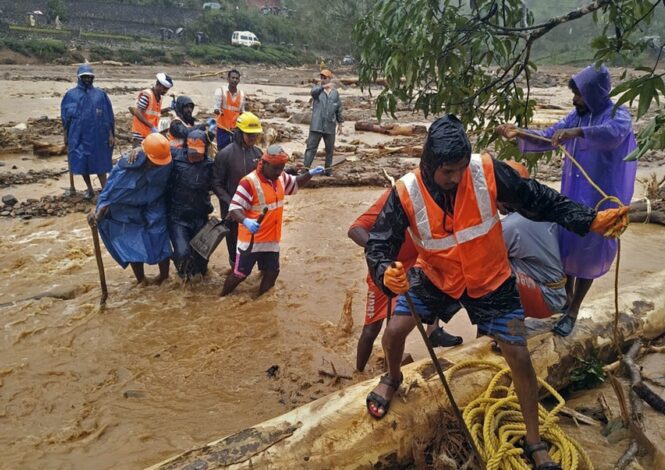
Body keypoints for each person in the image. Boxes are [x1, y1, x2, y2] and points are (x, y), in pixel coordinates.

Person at [364, 115, 629, 469]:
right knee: (394, 331)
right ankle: (393, 377)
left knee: (518, 355)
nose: (456, 178)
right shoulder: (405, 191)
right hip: (436, 275)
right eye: (448, 172)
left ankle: (534, 443)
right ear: (428, 165)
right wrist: (386, 272)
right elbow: (379, 244)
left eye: (460, 169)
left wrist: (588, 220)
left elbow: (539, 198)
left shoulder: (486, 171)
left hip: (490, 279)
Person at [496, 64, 637, 337]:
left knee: (590, 251)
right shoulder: (577, 115)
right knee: (568, 246)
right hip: (573, 191)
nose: (575, 100)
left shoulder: (618, 114)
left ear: (595, 93)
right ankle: (566, 299)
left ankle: (573, 311)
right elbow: (551, 135)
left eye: (580, 95)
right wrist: (519, 133)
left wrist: (578, 134)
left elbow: (612, 134)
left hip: (602, 197)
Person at [349, 188, 463, 373]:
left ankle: (432, 331)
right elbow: (355, 230)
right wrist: (380, 253)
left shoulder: (440, 201)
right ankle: (358, 373)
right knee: (371, 330)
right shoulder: (393, 199)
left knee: (432, 283)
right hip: (386, 270)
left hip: (415, 266)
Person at [220, 145, 325, 297]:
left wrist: (309, 174)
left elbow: (294, 183)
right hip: (251, 241)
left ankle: (261, 303)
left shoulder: (280, 177)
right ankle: (222, 297)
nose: (279, 172)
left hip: (272, 239)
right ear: (264, 164)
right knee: (240, 274)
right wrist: (246, 221)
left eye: (282, 168)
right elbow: (234, 209)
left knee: (272, 272)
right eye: (276, 168)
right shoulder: (248, 182)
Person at [89, 134, 174, 285]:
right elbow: (110, 191)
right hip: (127, 207)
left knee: (159, 235)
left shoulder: (166, 158)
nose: (157, 166)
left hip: (154, 202)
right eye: (154, 163)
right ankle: (141, 280)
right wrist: (99, 213)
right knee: (131, 240)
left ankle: (164, 277)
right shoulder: (127, 165)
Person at [499, 161, 567, 319]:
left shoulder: (511, 226)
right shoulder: (545, 209)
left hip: (545, 298)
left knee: (489, 272)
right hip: (559, 293)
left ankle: (507, 330)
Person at [212, 111, 264, 269]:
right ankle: (235, 272)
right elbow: (217, 184)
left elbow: (265, 178)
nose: (253, 139)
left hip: (253, 209)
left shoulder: (257, 154)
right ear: (239, 133)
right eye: (250, 135)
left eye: (255, 135)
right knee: (234, 245)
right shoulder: (225, 154)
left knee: (256, 244)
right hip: (232, 212)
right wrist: (231, 205)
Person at [60, 64, 115, 200]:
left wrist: (110, 134)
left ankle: (106, 193)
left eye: (89, 77)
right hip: (78, 136)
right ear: (79, 78)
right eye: (84, 77)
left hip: (98, 136)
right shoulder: (70, 96)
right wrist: (66, 136)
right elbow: (65, 119)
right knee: (82, 163)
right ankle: (90, 190)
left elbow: (108, 116)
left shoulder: (100, 95)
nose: (87, 80)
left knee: (101, 164)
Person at [167, 130, 216, 280]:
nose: (195, 155)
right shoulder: (174, 155)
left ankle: (198, 288)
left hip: (200, 217)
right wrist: (137, 151)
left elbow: (221, 184)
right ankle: (183, 281)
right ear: (186, 146)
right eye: (192, 151)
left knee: (202, 260)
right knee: (182, 253)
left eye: (198, 152)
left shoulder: (210, 165)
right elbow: (152, 146)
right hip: (178, 218)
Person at [302, 69, 343, 176]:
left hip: (330, 126)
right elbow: (313, 93)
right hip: (316, 125)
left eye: (325, 78)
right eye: (322, 78)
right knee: (311, 148)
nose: (323, 80)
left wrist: (340, 123)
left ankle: (328, 170)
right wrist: (322, 87)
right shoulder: (317, 90)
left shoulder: (335, 93)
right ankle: (305, 169)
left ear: (330, 78)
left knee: (330, 149)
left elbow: (338, 108)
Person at [131, 73, 174, 145]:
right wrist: (151, 126)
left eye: (167, 89)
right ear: (158, 84)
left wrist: (168, 109)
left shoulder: (159, 98)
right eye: (164, 88)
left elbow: (154, 112)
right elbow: (137, 112)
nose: (165, 91)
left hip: (150, 134)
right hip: (140, 133)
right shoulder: (147, 95)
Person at [213, 69, 246, 151]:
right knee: (222, 151)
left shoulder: (241, 94)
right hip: (222, 128)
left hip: (236, 130)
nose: (234, 80)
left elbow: (242, 112)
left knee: (236, 151)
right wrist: (217, 110)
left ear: (239, 80)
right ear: (228, 79)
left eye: (237, 78)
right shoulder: (220, 91)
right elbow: (216, 108)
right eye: (233, 78)